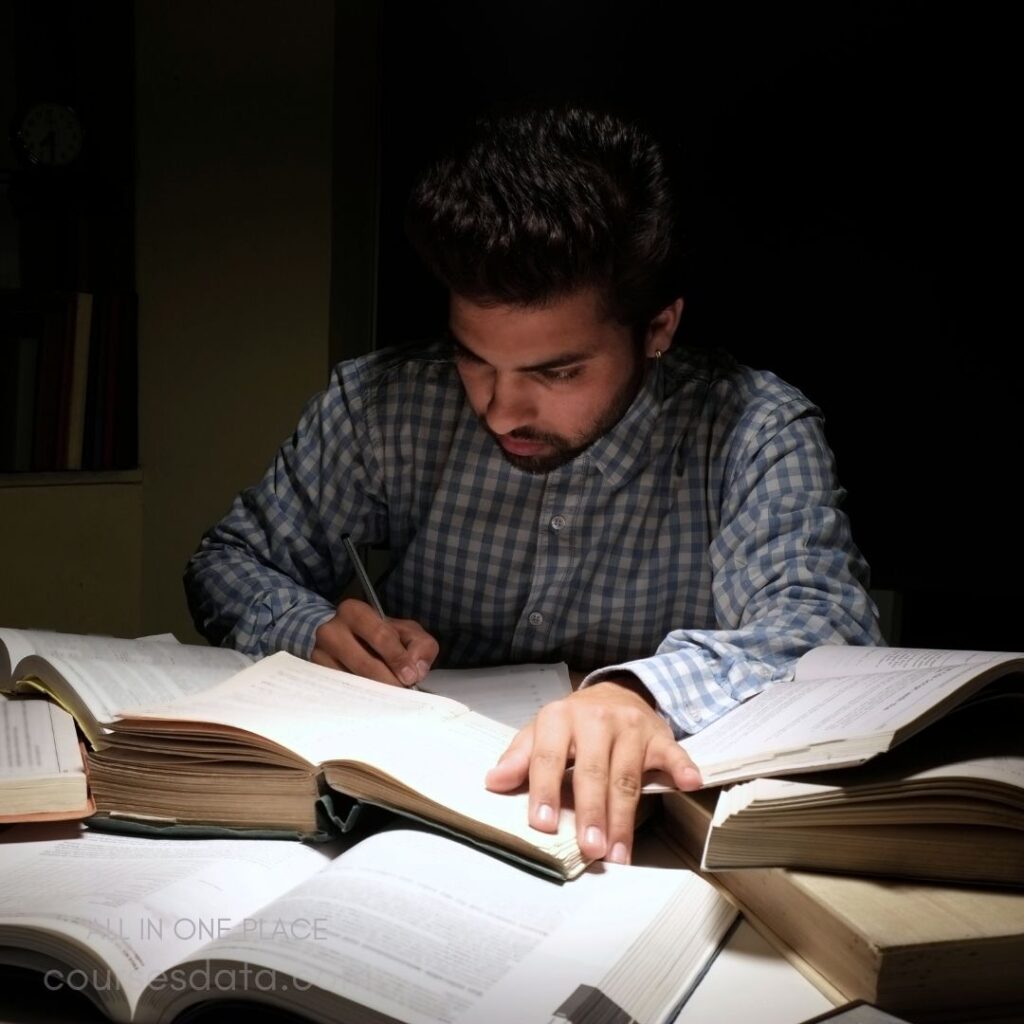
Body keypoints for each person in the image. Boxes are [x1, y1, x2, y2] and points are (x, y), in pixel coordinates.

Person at [184, 103, 881, 867]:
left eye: (558, 372)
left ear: (658, 330)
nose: (499, 408)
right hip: (399, 821)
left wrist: (640, 696)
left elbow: (826, 633)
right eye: (475, 358)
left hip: (642, 847)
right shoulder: (384, 405)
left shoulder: (752, 428)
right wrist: (305, 626)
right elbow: (227, 559)